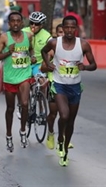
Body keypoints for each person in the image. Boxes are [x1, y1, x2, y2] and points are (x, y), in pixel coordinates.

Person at [41, 15, 97, 167]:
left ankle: (65, 150)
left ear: (76, 29)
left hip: (75, 87)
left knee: (71, 121)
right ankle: (59, 140)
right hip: (59, 85)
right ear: (63, 28)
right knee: (64, 115)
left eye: (73, 27)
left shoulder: (83, 45)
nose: (70, 30)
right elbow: (43, 51)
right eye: (67, 27)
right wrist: (48, 63)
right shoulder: (54, 42)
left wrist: (85, 67)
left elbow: (94, 65)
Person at [0, 11, 35, 152]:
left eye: (18, 21)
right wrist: (8, 52)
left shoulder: (28, 36)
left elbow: (31, 50)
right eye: (13, 21)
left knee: (24, 104)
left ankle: (23, 131)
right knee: (10, 109)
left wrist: (33, 57)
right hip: (10, 78)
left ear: (22, 23)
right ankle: (9, 135)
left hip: (24, 75)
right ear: (9, 23)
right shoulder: (4, 38)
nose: (16, 23)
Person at [43, 24, 74, 150]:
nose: (62, 34)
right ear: (56, 34)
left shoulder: (73, 49)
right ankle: (50, 133)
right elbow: (43, 67)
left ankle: (65, 138)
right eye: (60, 32)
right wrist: (50, 66)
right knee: (53, 113)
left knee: (66, 114)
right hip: (54, 84)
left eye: (64, 31)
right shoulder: (52, 49)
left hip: (69, 84)